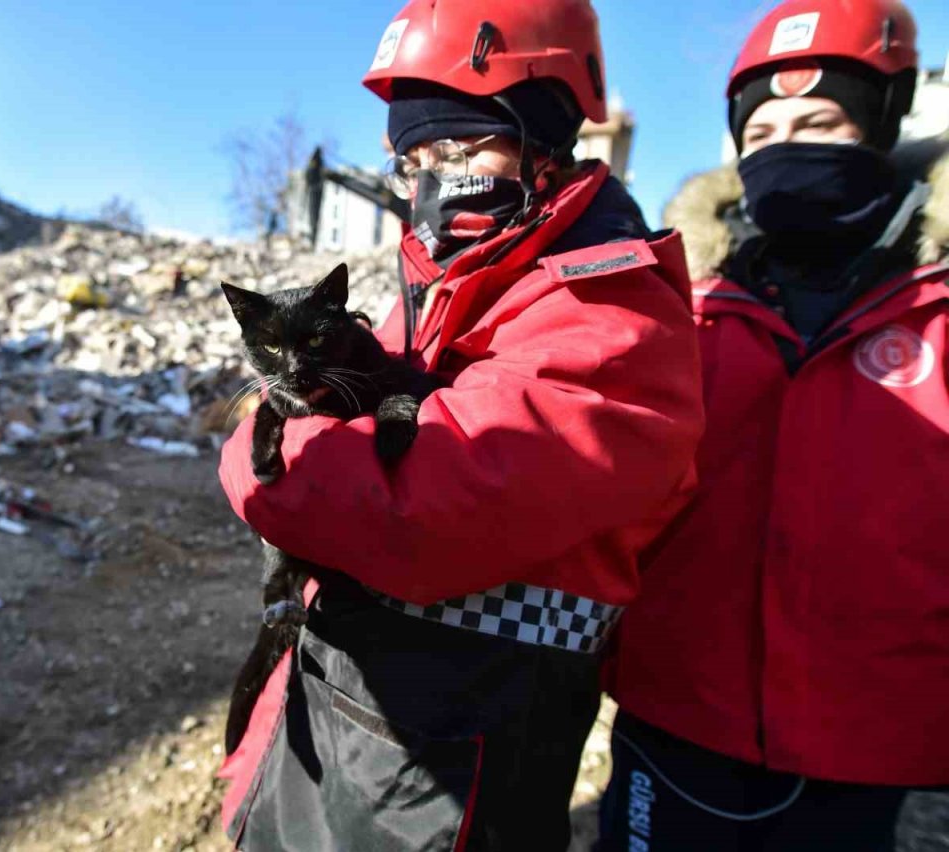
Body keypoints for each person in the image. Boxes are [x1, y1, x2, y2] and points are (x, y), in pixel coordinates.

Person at [215, 1, 706, 849]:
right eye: (416, 158)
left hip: (454, 770)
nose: (435, 177)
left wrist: (268, 448)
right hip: (348, 724)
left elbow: (417, 506)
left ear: (544, 141)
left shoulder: (610, 310)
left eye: (464, 146)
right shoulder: (449, 284)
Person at [597, 2, 948, 850]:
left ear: (881, 133)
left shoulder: (937, 310)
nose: (787, 146)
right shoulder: (686, 305)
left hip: (871, 752)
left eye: (820, 122)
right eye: (762, 131)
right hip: (672, 719)